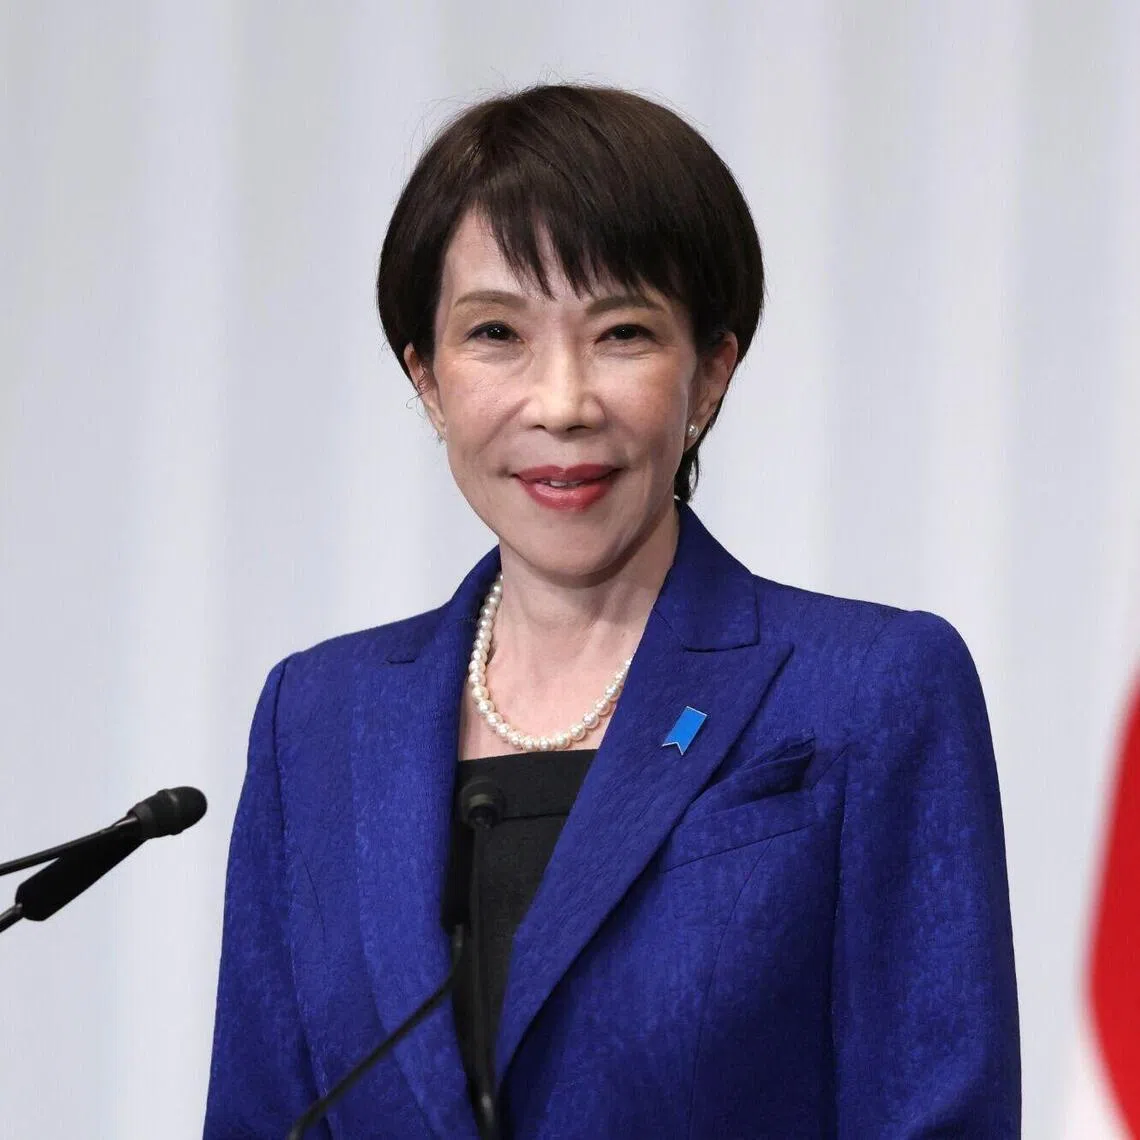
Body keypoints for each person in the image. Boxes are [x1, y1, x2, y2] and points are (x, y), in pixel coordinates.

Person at [204, 84, 1020, 1138]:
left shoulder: (870, 690)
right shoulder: (315, 719)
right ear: (429, 379)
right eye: (496, 332)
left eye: (622, 332)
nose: (562, 402)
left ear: (711, 373)